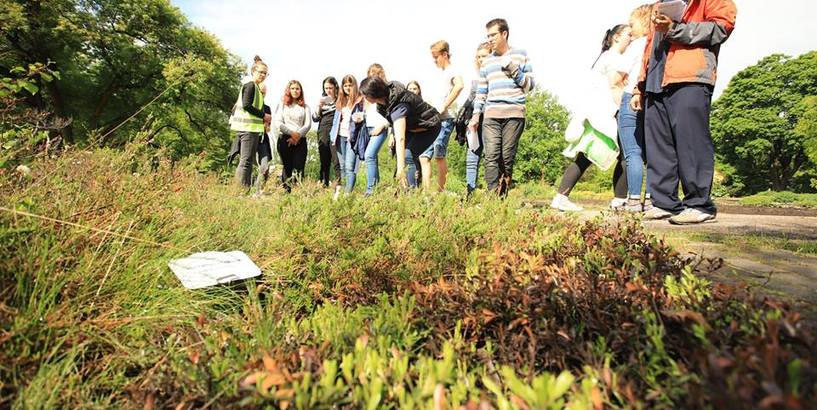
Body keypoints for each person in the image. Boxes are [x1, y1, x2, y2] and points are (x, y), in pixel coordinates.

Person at [631, 0, 737, 224]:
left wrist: (674, 29)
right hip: (655, 81)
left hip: (690, 77)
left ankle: (699, 204)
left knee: (692, 143)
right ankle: (664, 203)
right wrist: (639, 86)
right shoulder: (661, 4)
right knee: (659, 146)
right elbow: (649, 45)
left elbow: (721, 28)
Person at [551, 24, 632, 212]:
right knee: (625, 154)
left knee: (586, 155)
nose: (631, 38)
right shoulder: (614, 57)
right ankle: (619, 200)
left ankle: (561, 197)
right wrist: (626, 110)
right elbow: (614, 86)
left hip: (596, 114)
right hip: (607, 114)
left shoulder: (605, 56)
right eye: (629, 34)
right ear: (617, 37)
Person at [469, 18, 535, 197]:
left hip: (514, 114)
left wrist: (513, 68)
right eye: (488, 36)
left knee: (506, 157)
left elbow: (530, 86)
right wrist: (475, 116)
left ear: (504, 34)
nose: (490, 39)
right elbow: (481, 91)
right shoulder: (487, 62)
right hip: (491, 115)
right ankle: (492, 199)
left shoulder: (520, 54)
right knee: (491, 156)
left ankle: (502, 197)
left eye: (493, 35)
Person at [359, 76, 441, 191]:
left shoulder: (399, 105)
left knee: (407, 156)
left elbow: (400, 138)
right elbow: (393, 120)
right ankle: (404, 190)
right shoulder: (383, 102)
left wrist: (401, 169)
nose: (364, 97)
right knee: (401, 157)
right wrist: (385, 127)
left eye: (366, 95)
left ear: (374, 93)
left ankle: (411, 193)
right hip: (413, 127)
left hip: (429, 127)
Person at [618, 4, 654, 212]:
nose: (630, 30)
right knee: (651, 153)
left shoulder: (637, 45)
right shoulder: (657, 44)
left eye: (632, 24)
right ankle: (650, 199)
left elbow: (618, 74)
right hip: (650, 99)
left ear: (643, 21)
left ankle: (632, 200)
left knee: (632, 152)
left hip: (630, 97)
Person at [423, 40, 464, 192]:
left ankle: (440, 192)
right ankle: (426, 193)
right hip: (433, 120)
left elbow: (459, 85)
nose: (434, 61)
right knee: (424, 156)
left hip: (446, 119)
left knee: (439, 153)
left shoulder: (452, 71)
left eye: (436, 57)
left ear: (445, 54)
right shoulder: (440, 74)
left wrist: (444, 106)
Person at [229, 56, 270, 188]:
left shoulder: (256, 88)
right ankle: (239, 190)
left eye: (265, 73)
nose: (263, 75)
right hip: (247, 129)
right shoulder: (250, 85)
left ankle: (244, 189)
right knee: (245, 161)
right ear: (253, 71)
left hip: (251, 129)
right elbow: (246, 105)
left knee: (248, 162)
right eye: (261, 72)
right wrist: (264, 115)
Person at [329, 75, 365, 194]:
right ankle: (343, 191)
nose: (348, 88)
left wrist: (361, 117)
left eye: (350, 85)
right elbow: (336, 121)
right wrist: (332, 136)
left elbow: (364, 115)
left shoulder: (360, 101)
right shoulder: (341, 101)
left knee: (350, 167)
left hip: (352, 137)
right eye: (345, 85)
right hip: (340, 136)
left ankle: (348, 194)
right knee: (342, 166)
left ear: (355, 86)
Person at [464, 42, 493, 195]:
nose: (481, 59)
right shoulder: (475, 76)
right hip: (475, 122)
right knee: (472, 157)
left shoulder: (495, 75)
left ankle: (493, 193)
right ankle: (470, 192)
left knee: (491, 157)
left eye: (484, 56)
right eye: (479, 57)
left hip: (490, 121)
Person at [273, 80, 311, 192]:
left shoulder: (305, 107)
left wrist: (297, 136)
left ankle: (298, 192)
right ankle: (286, 192)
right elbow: (278, 122)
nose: (295, 91)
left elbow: (308, 124)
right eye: (292, 88)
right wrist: (291, 133)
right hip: (285, 139)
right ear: (288, 90)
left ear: (301, 91)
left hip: (300, 140)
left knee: (299, 167)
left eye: (297, 88)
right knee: (287, 167)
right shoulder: (282, 105)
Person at [313, 77, 342, 189]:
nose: (328, 90)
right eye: (326, 88)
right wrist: (318, 107)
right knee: (324, 159)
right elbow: (315, 118)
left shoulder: (340, 100)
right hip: (323, 130)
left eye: (330, 88)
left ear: (335, 87)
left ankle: (339, 183)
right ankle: (323, 184)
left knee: (336, 158)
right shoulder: (322, 101)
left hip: (336, 130)